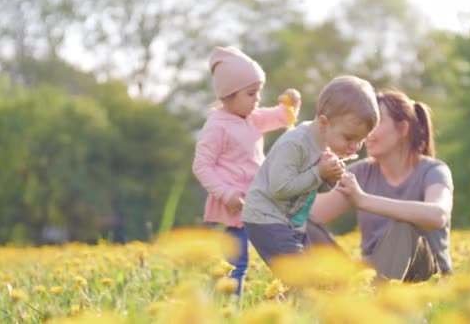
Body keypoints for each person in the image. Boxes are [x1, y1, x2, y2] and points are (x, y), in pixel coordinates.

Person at [307, 89, 454, 282]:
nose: (365, 133)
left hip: (425, 279)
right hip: (368, 278)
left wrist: (363, 200)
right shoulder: (359, 173)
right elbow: (309, 215)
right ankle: (310, 295)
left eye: (374, 124)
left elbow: (438, 216)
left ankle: (376, 301)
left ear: (402, 129)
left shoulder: (433, 170)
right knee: (302, 224)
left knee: (402, 230)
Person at [192, 46, 301, 295]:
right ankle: (227, 309)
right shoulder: (217, 126)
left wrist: (291, 102)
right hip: (229, 209)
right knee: (234, 265)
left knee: (280, 252)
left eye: (259, 92)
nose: (258, 99)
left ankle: (293, 294)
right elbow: (202, 166)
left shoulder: (251, 117)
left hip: (258, 205)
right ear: (228, 95)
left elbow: (282, 117)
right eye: (252, 93)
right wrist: (226, 193)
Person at [242, 75, 380, 266]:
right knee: (301, 277)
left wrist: (330, 178)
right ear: (324, 122)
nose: (355, 147)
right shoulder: (294, 144)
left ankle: (290, 295)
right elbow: (279, 188)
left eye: (361, 140)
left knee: (311, 274)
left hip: (293, 223)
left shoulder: (325, 145)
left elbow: (315, 188)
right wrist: (319, 173)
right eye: (349, 138)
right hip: (266, 219)